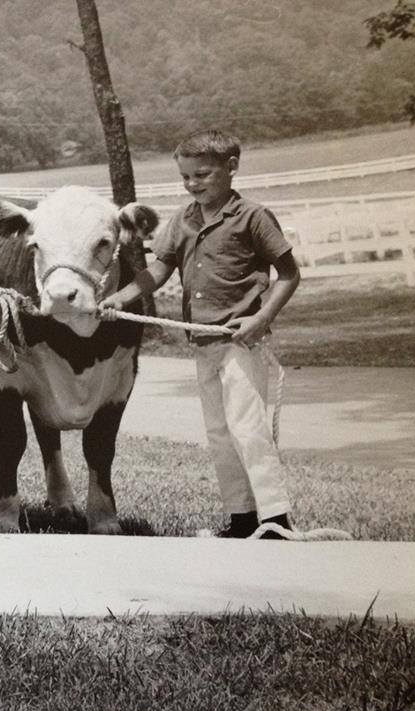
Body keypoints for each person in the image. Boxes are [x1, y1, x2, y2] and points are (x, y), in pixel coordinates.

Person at [99, 130, 301, 539]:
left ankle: (276, 518)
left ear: (231, 168)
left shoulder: (252, 216)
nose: (193, 184)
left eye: (202, 175)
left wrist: (260, 319)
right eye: (186, 177)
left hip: (240, 339)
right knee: (218, 432)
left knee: (248, 427)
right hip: (202, 342)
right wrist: (120, 298)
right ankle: (241, 518)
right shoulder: (184, 219)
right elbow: (159, 269)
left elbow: (290, 275)